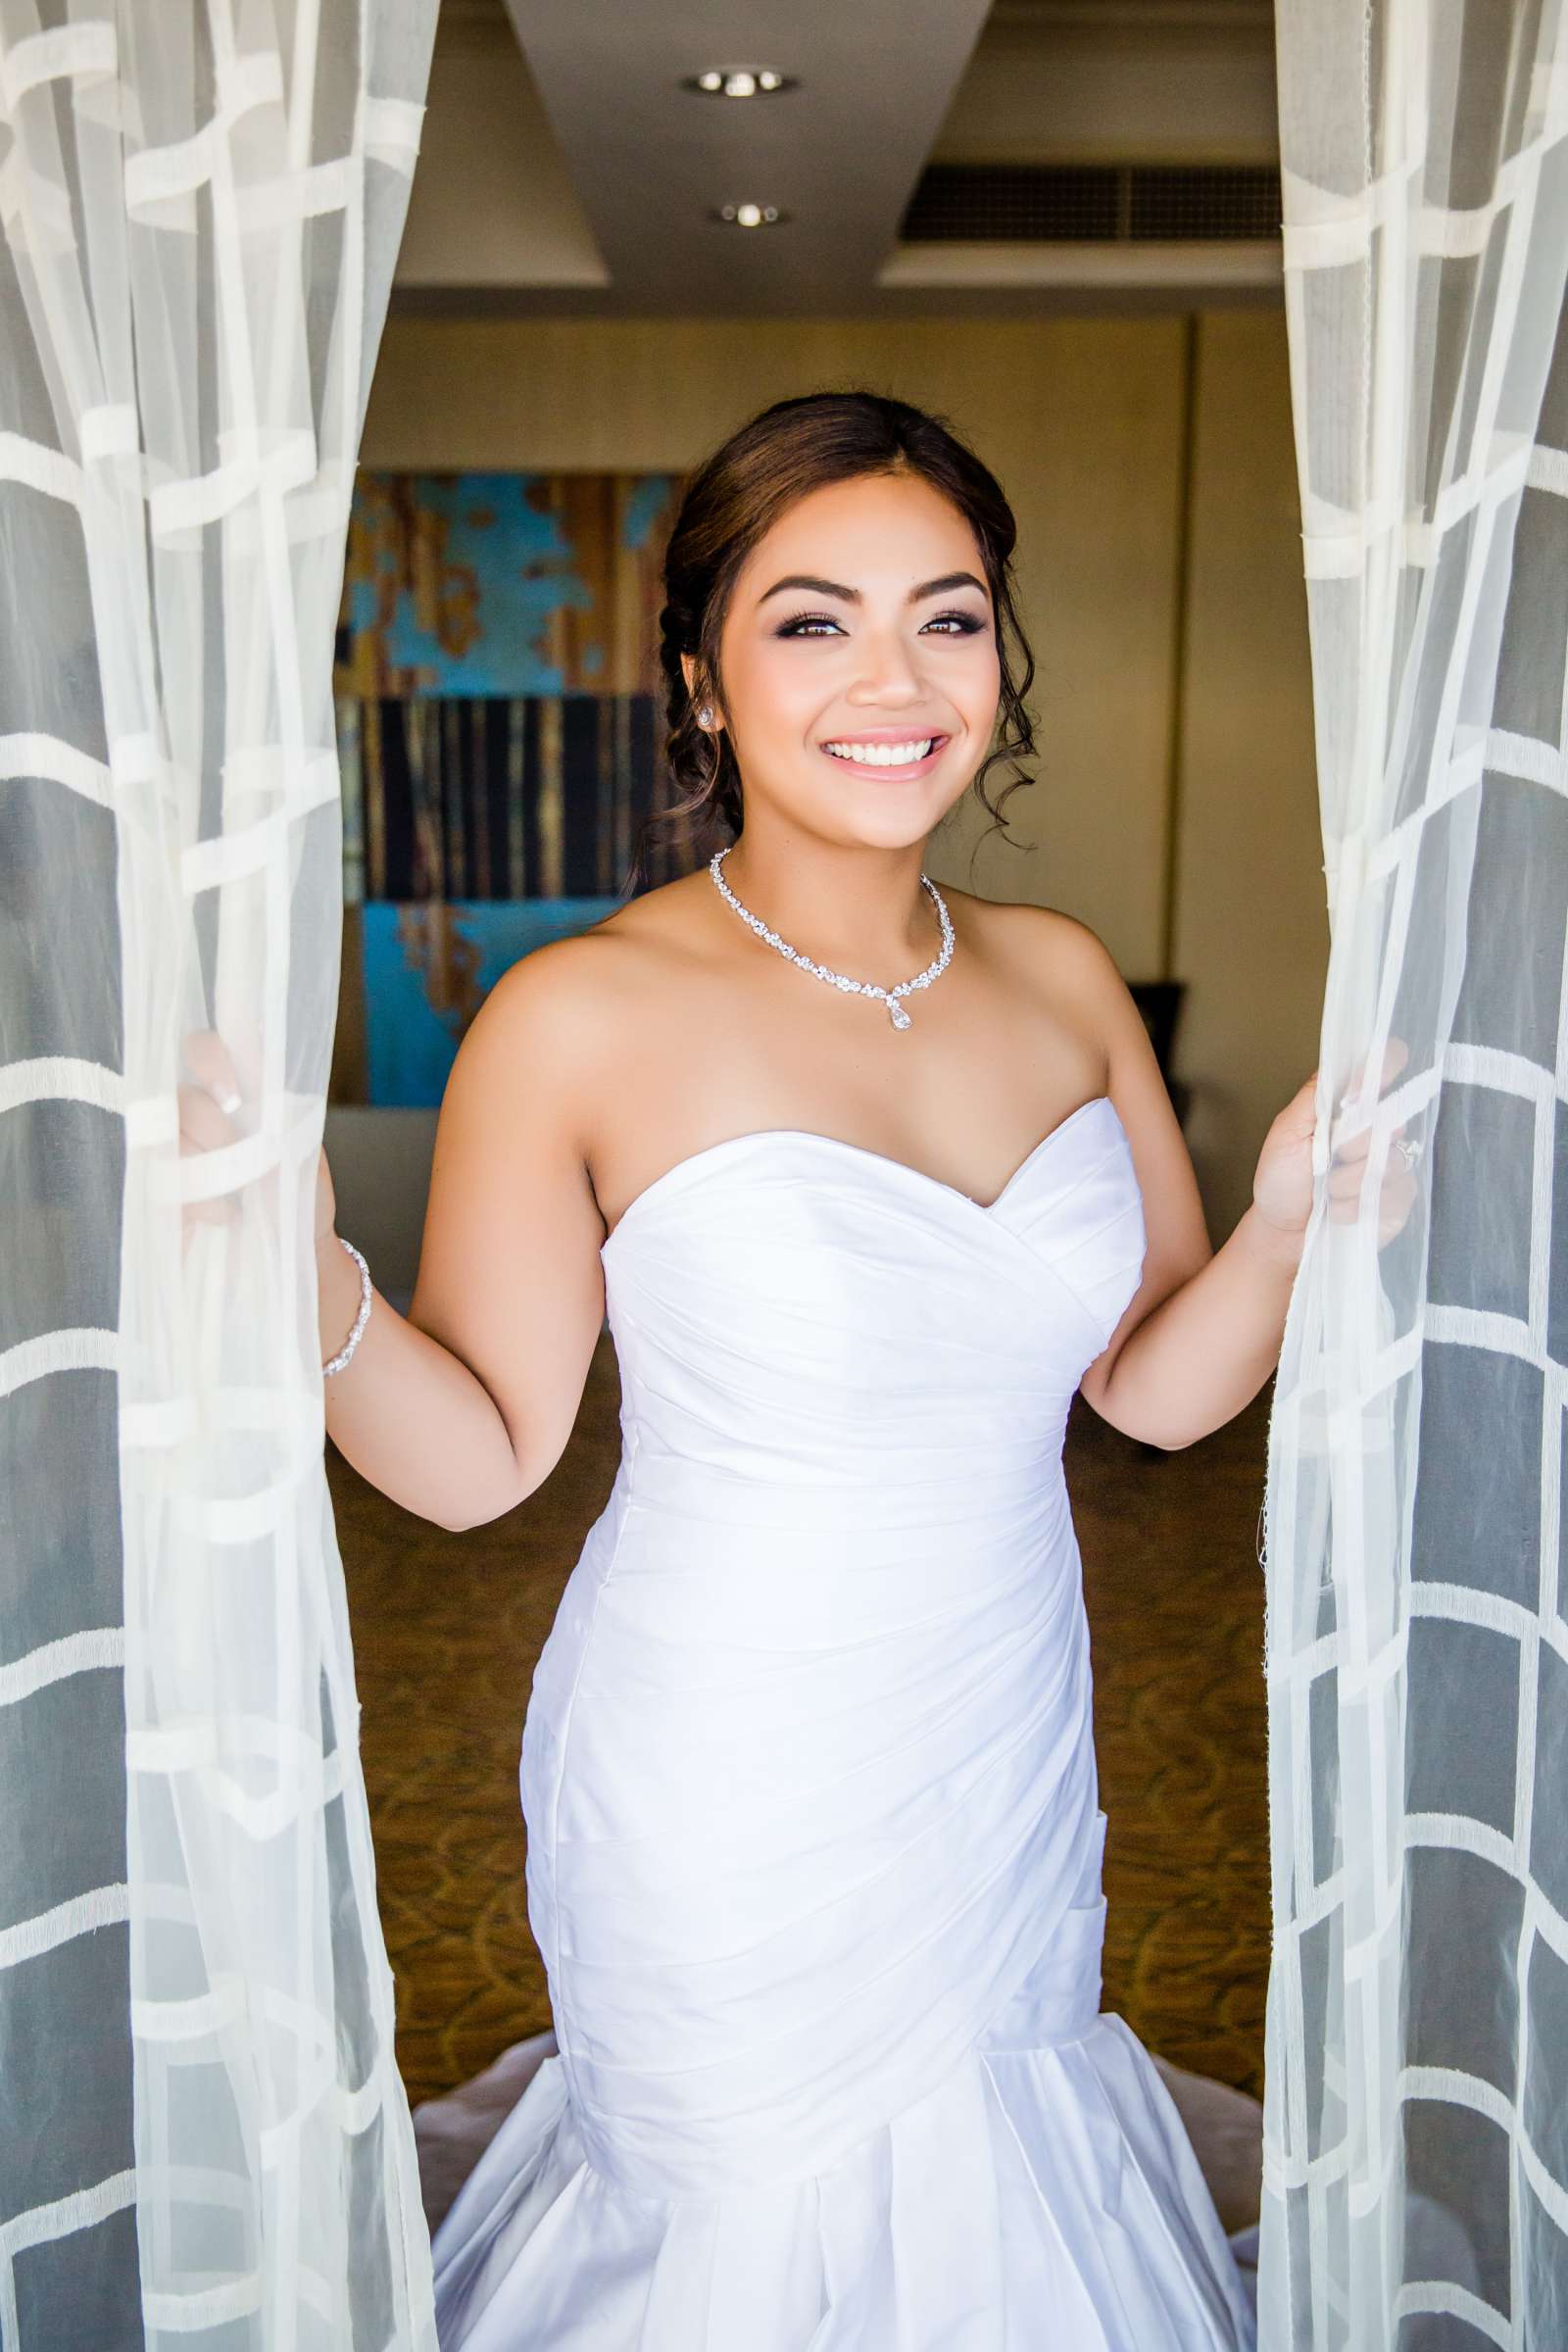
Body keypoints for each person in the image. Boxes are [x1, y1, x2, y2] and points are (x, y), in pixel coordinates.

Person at [184, 389, 1409, 2348]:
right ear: (700, 673)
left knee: (997, 2174)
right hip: (718, 1756)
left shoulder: (1061, 975)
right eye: (809, 618)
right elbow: (485, 1458)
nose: (891, 676)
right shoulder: (578, 1012)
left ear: (1000, 656)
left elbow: (1151, 1396)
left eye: (945, 613)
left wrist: (1280, 1226)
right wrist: (294, 1275)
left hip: (1003, 1733)